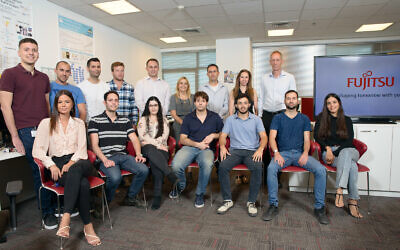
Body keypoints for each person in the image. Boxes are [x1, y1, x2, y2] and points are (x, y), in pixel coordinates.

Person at [0, 38, 57, 229]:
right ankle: (47, 213)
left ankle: (54, 204)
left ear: (38, 53)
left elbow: (47, 105)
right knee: (40, 171)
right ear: (19, 52)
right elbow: (5, 107)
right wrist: (15, 136)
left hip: (45, 128)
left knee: (54, 166)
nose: (31, 53)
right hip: (26, 131)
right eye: (27, 49)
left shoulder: (43, 78)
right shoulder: (9, 74)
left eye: (34, 50)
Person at [32, 90, 100, 246]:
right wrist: (51, 164)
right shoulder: (46, 123)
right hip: (58, 163)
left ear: (72, 105)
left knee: (76, 169)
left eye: (67, 102)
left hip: (80, 161)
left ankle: (66, 217)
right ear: (56, 105)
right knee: (82, 184)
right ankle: (88, 227)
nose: (63, 105)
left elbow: (82, 150)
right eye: (60, 102)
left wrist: (71, 163)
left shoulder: (79, 123)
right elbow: (37, 150)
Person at [262, 90, 329, 225]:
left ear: (297, 101)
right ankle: (273, 205)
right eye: (288, 98)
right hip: (283, 154)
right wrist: (276, 153)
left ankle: (319, 208)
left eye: (293, 98)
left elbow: (306, 140)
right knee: (271, 169)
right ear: (285, 101)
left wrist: (305, 153)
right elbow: (272, 138)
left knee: (321, 170)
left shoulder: (304, 118)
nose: (291, 101)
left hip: (300, 154)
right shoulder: (278, 118)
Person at [88, 90, 149, 207]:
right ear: (104, 102)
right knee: (116, 178)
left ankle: (130, 197)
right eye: (110, 100)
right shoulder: (95, 121)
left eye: (116, 100)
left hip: (123, 156)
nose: (113, 103)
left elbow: (135, 139)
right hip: (106, 157)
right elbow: (94, 145)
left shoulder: (125, 120)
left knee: (144, 170)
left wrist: (138, 154)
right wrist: (104, 159)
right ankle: (104, 203)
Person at [169, 91, 223, 208]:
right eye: (198, 101)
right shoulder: (188, 118)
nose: (200, 103)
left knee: (207, 164)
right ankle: (181, 185)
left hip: (207, 149)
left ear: (206, 103)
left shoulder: (215, 117)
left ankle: (199, 194)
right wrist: (197, 144)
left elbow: (223, 134)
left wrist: (214, 135)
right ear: (194, 103)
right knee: (175, 165)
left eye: (203, 101)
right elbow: (183, 139)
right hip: (190, 147)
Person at [217, 93, 267, 217]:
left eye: (245, 103)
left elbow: (264, 137)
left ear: (249, 105)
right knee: (222, 166)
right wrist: (223, 146)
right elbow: (223, 136)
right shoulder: (230, 119)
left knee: (257, 167)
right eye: (240, 103)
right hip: (235, 151)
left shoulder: (256, 119)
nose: (243, 105)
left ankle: (251, 202)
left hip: (252, 151)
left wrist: (261, 148)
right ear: (236, 105)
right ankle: (227, 200)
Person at [314, 93, 362, 218]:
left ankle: (339, 189)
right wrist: (327, 148)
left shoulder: (347, 120)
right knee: (352, 166)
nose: (332, 105)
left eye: (334, 102)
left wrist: (334, 152)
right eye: (329, 103)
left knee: (346, 153)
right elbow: (317, 137)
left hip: (349, 151)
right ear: (326, 106)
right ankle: (353, 200)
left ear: (339, 103)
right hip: (329, 152)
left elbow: (349, 141)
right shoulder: (321, 119)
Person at [258, 50, 297, 185]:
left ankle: (277, 177)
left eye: (277, 60)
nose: (275, 62)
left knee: (280, 145)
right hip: (267, 115)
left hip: (282, 114)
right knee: (265, 144)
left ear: (281, 61)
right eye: (273, 60)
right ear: (270, 62)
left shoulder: (289, 77)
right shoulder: (264, 78)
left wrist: (293, 116)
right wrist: (259, 116)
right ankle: (266, 177)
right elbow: (261, 98)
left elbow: (293, 97)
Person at [137, 96, 178, 210]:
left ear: (159, 106)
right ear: (147, 107)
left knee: (156, 165)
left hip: (161, 148)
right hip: (147, 149)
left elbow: (164, 136)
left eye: (155, 105)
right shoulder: (143, 119)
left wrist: (158, 144)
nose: (153, 107)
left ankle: (157, 196)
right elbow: (143, 136)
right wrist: (157, 144)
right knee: (150, 149)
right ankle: (169, 174)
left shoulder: (164, 119)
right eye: (151, 105)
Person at [108, 61, 139, 127]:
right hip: (110, 123)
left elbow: (134, 107)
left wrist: (134, 123)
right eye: (117, 71)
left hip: (127, 123)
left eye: (122, 71)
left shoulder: (130, 87)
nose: (120, 73)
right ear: (112, 72)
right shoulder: (106, 86)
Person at [169, 77, 194, 145]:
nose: (183, 85)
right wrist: (183, 123)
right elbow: (173, 114)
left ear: (188, 86)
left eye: (185, 83)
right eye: (181, 83)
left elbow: (196, 112)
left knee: (192, 143)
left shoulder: (193, 97)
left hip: (191, 123)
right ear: (178, 85)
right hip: (178, 123)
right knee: (179, 144)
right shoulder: (173, 97)